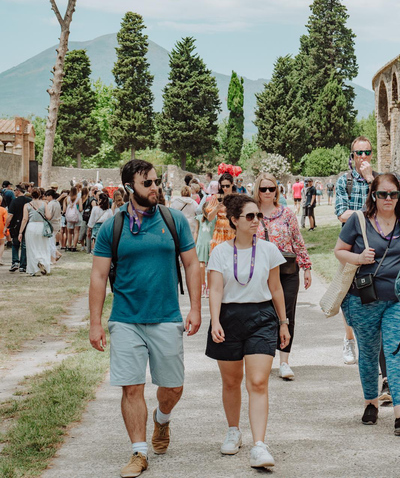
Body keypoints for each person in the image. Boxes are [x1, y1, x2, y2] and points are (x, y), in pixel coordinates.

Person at [89, 159, 201, 478]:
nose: (156, 188)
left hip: (166, 316)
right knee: (131, 387)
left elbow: (192, 265)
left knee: (173, 387)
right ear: (129, 188)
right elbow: (98, 276)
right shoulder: (113, 226)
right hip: (125, 318)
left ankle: (162, 419)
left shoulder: (173, 219)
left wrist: (195, 308)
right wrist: (95, 322)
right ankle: (139, 452)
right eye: (147, 183)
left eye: (156, 182)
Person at [333, 173, 400, 434]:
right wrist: (359, 258)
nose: (388, 199)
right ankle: (370, 402)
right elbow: (339, 250)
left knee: (395, 353)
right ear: (373, 195)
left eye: (393, 194)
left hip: (398, 300)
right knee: (369, 352)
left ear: (399, 196)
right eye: (382, 194)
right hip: (363, 300)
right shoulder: (358, 220)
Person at [206, 194, 290, 469]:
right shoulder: (219, 252)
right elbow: (216, 290)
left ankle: (259, 445)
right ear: (234, 220)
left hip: (262, 317)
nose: (256, 221)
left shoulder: (268, 250)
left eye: (259, 216)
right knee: (231, 382)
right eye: (250, 216)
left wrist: (283, 322)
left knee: (257, 382)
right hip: (229, 318)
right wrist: (215, 321)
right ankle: (233, 430)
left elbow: (276, 289)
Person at [253, 173, 312, 380]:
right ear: (257, 191)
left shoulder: (286, 214)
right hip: (260, 273)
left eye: (272, 189)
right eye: (264, 189)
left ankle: (284, 361)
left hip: (287, 271)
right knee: (263, 314)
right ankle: (263, 357)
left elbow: (297, 240)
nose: (268, 192)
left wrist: (306, 267)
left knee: (286, 315)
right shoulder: (252, 214)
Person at [334, 137, 377, 369]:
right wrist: (367, 212)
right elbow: (341, 214)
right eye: (358, 153)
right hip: (350, 245)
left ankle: (372, 342)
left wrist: (371, 180)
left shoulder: (379, 181)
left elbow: (388, 206)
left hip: (377, 244)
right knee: (349, 295)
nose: (362, 157)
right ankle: (349, 339)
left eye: (367, 152)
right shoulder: (345, 181)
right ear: (352, 155)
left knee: (376, 292)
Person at [19, 188, 50, 276]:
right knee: (43, 246)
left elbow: (25, 219)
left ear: (31, 195)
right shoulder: (44, 204)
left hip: (31, 226)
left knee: (32, 247)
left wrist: (20, 232)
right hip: (41, 226)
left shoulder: (27, 205)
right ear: (40, 195)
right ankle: (42, 262)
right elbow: (48, 216)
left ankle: (33, 268)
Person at [207, 173, 236, 255]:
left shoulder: (238, 198)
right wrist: (217, 208)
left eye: (227, 186)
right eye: (223, 186)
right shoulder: (216, 197)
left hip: (233, 232)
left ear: (232, 184)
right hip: (220, 232)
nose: (225, 188)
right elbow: (209, 218)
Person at [6, 185, 32, 272]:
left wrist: (6, 226)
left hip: (16, 225)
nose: (14, 192)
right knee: (24, 245)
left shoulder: (14, 201)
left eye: (15, 190)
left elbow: (10, 215)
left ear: (18, 191)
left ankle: (15, 262)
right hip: (27, 225)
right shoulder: (29, 201)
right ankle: (23, 265)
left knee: (15, 244)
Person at [44, 189, 62, 264]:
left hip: (51, 224)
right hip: (57, 223)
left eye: (47, 196)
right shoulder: (57, 202)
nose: (46, 198)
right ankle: (56, 255)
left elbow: (49, 215)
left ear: (50, 196)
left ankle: (54, 257)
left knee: (50, 242)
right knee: (51, 241)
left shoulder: (51, 204)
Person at [62, 187, 82, 252]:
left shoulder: (66, 199)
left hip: (69, 217)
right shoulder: (79, 199)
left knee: (70, 232)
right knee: (76, 232)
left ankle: (69, 246)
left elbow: (64, 210)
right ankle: (74, 246)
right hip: (77, 216)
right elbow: (81, 209)